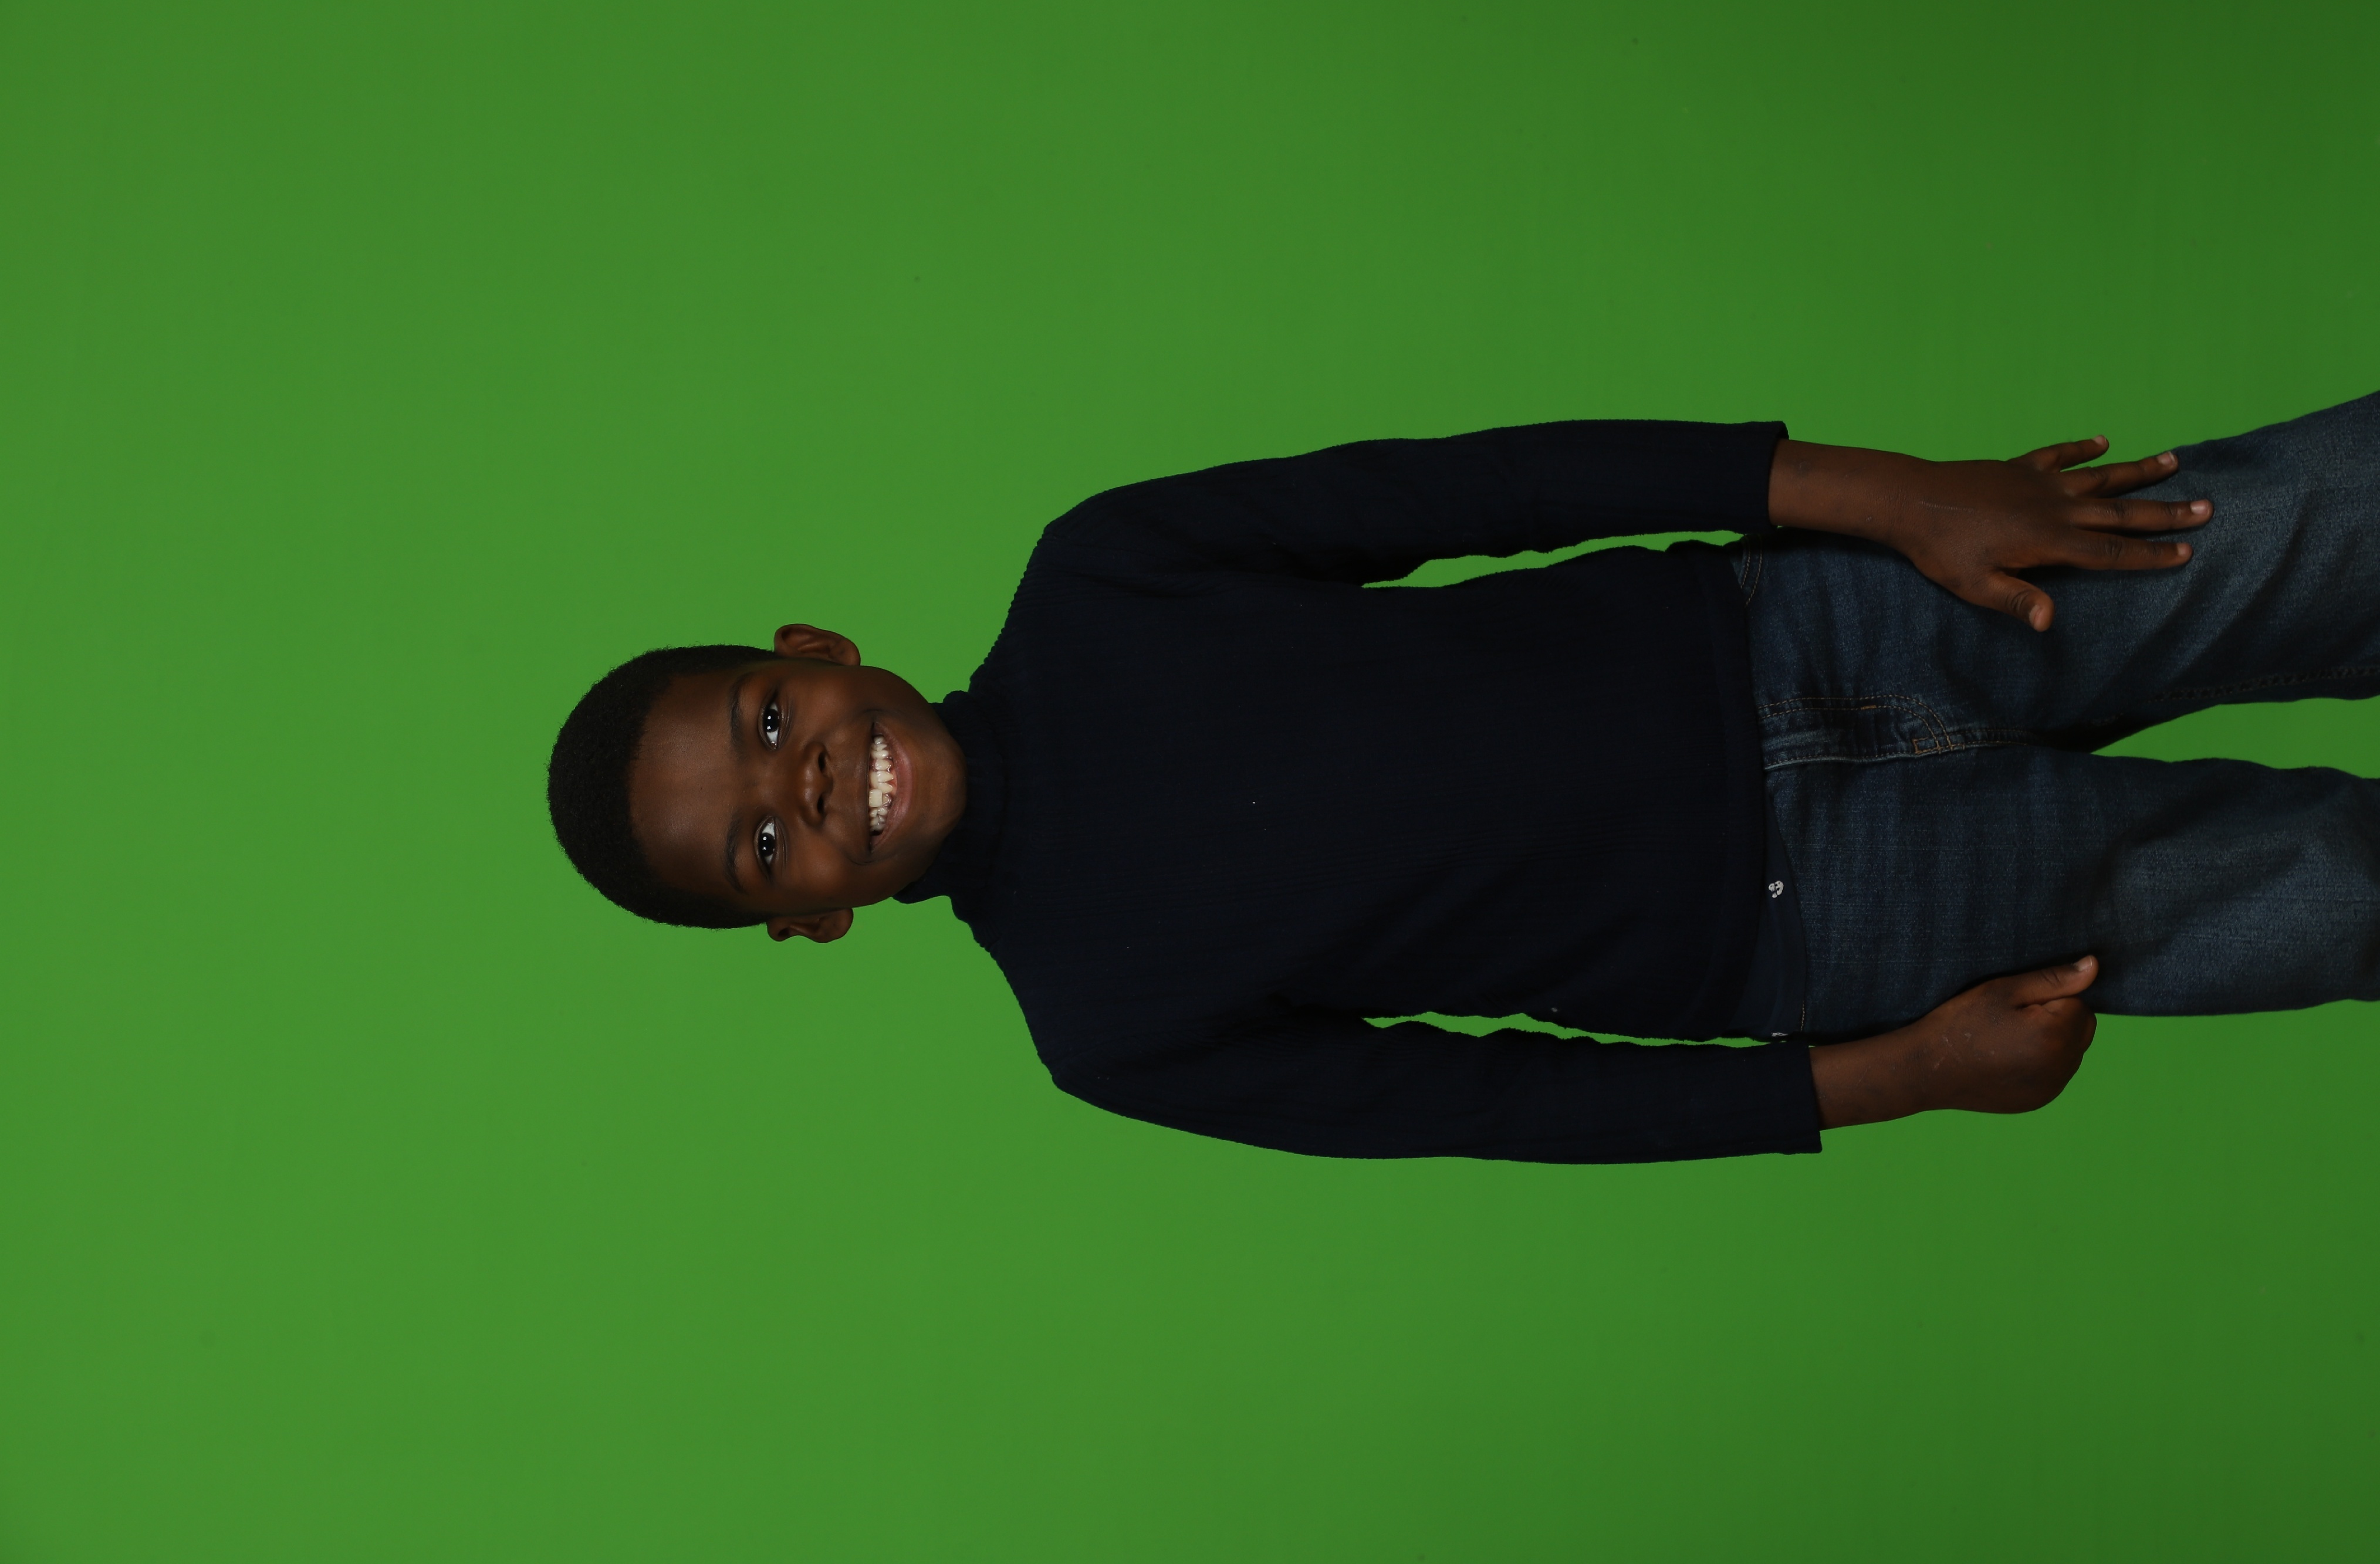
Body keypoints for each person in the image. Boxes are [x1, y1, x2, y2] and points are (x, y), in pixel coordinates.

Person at [546, 391, 2380, 1163]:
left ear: (813, 648)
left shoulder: (1102, 574)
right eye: (763, 849)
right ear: (809, 923)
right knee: (2343, 898)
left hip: (1829, 622)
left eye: (767, 726)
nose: (806, 789)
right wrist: (1897, 1077)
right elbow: (1499, 1105)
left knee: (2313, 533)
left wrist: (1895, 500)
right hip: (1847, 922)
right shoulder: (1108, 1031)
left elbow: (1491, 488)